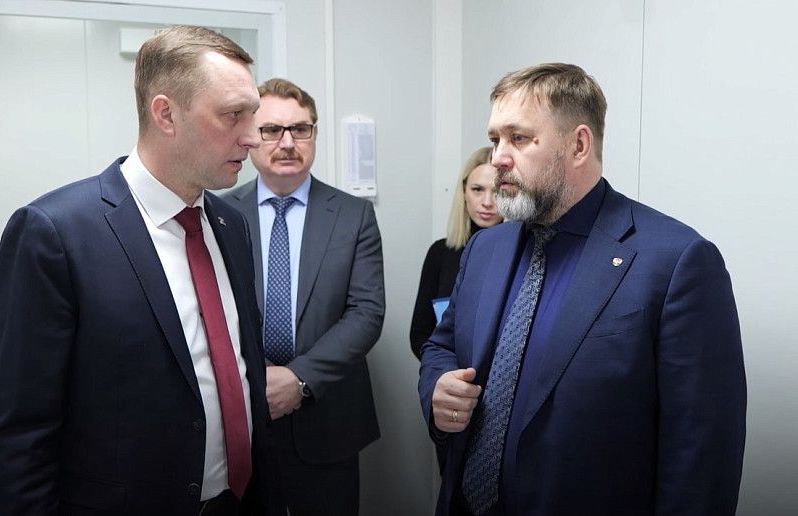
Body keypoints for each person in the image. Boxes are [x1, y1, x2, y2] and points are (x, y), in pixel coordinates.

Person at [418, 63, 746, 516]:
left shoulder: (676, 262)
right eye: (495, 139)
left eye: (518, 138)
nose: (497, 158)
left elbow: (701, 454)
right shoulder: (485, 248)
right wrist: (437, 388)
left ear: (578, 145)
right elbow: (441, 346)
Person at [0, 26, 282, 516]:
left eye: (253, 114)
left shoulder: (231, 224)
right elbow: (19, 436)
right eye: (233, 115)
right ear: (165, 114)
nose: (252, 137)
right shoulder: (54, 234)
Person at [223, 78, 384, 516]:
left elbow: (367, 313)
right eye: (272, 129)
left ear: (314, 134)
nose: (288, 142)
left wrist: (299, 379)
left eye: (300, 129)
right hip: (245, 416)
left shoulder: (353, 214)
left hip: (329, 417)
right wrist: (259, 378)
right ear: (251, 135)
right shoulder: (218, 213)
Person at [410, 146, 502, 360]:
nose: (487, 202)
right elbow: (420, 335)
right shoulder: (439, 253)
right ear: (464, 191)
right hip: (447, 374)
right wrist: (445, 371)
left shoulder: (524, 254)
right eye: (477, 189)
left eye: (497, 191)